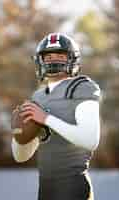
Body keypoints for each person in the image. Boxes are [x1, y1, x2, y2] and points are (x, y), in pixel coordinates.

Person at [11, 33, 101, 200]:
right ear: (40, 61)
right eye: (48, 56)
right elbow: (21, 156)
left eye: (60, 55)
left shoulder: (81, 87)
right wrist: (19, 133)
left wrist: (45, 119)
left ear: (72, 60)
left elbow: (90, 140)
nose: (53, 60)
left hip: (73, 185)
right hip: (46, 188)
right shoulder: (38, 97)